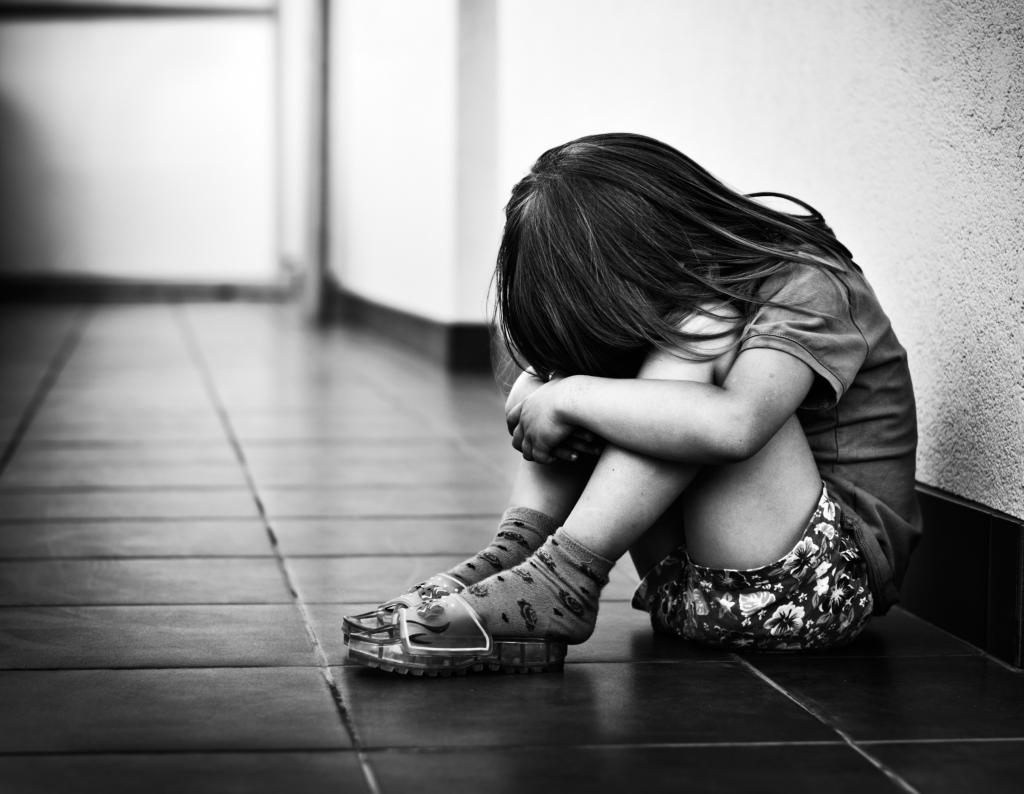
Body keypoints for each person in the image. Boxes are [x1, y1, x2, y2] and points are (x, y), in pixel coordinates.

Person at [342, 132, 920, 675]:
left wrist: (567, 395)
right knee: (613, 363)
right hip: (681, 588)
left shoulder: (806, 279)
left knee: (699, 328)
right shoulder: (681, 277)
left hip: (816, 591)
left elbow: (737, 426)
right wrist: (546, 385)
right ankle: (519, 561)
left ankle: (559, 579)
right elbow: (541, 355)